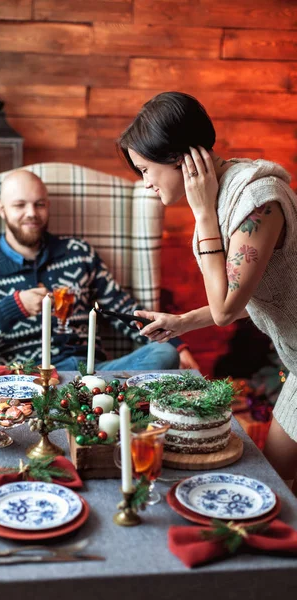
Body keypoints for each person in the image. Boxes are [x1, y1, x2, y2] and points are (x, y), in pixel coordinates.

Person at [118, 90, 297, 487]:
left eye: (146, 169)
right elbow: (249, 294)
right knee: (279, 481)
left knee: (276, 485)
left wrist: (201, 214)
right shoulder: (225, 195)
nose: (145, 183)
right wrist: (182, 322)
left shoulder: (257, 201)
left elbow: (226, 309)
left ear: (178, 159)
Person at [0, 169, 198, 376]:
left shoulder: (78, 254)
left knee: (164, 354)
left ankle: (102, 399)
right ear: (1, 209)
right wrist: (14, 307)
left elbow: (121, 308)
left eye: (39, 204)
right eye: (19, 205)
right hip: (29, 381)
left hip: (93, 373)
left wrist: (176, 344)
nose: (31, 213)